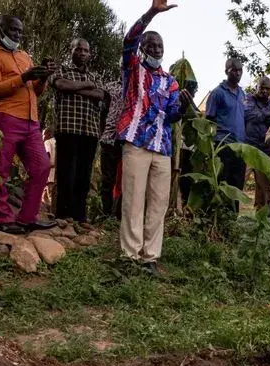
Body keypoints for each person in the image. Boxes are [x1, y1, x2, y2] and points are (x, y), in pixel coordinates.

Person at [116, 0, 194, 274]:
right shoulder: (132, 67)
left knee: (158, 205)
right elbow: (129, 38)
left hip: (162, 148)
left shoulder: (170, 81)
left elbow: (172, 115)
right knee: (133, 202)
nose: (156, 50)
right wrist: (152, 13)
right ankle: (129, 255)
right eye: (151, 46)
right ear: (142, 49)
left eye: (160, 47)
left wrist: (182, 107)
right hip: (136, 142)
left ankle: (150, 257)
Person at [0, 15, 56, 234]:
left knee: (41, 167)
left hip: (31, 120)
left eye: (20, 31)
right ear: (0, 29)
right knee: (0, 170)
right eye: (13, 30)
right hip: (5, 117)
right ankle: (3, 219)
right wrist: (24, 77)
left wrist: (43, 78)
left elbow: (36, 91)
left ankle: (27, 218)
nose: (17, 35)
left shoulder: (24, 56)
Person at [51, 38, 105, 223]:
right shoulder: (62, 70)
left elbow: (100, 94)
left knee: (84, 175)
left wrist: (75, 88)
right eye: (78, 49)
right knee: (66, 172)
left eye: (85, 50)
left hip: (89, 131)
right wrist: (86, 86)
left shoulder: (95, 76)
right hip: (67, 128)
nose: (82, 53)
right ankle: (63, 215)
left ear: (89, 54)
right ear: (71, 50)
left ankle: (79, 216)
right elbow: (61, 85)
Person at [206, 58, 247, 194]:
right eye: (234, 70)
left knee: (237, 186)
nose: (238, 73)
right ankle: (220, 215)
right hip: (223, 144)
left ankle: (233, 215)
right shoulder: (217, 93)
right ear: (226, 71)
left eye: (240, 70)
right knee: (222, 183)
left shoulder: (242, 94)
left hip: (240, 146)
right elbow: (209, 119)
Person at [244, 76, 270, 210]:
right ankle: (232, 219)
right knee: (240, 182)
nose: (264, 91)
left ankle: (260, 220)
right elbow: (248, 115)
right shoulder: (249, 98)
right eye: (262, 88)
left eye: (267, 89)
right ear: (256, 88)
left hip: (265, 150)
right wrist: (266, 114)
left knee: (263, 189)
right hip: (248, 147)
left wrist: (260, 114)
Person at [98, 80, 125, 218]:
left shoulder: (138, 85)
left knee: (126, 180)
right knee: (107, 179)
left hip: (128, 141)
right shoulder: (110, 86)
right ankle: (107, 214)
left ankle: (119, 215)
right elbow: (103, 111)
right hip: (108, 139)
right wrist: (103, 133)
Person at [43, 127, 57, 212]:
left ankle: (50, 213)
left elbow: (47, 154)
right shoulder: (55, 142)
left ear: (49, 134)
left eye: (44, 134)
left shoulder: (47, 142)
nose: (43, 136)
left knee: (49, 194)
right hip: (54, 173)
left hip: (49, 172)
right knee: (49, 194)